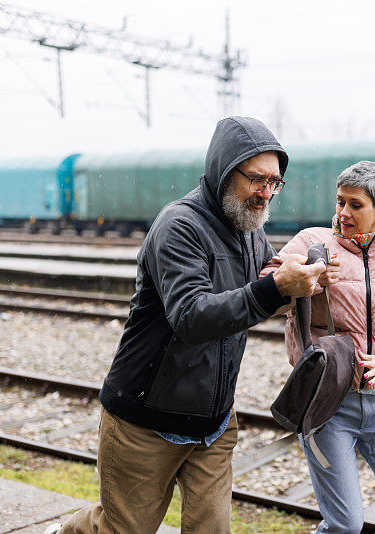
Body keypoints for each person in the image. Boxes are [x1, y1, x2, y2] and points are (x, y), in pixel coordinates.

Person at [51, 117, 327, 534]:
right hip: (146, 419)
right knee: (123, 528)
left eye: (275, 182)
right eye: (256, 179)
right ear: (223, 170)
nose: (266, 193)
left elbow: (253, 298)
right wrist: (274, 288)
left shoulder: (250, 231)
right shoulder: (179, 226)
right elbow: (191, 316)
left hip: (213, 423)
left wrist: (298, 280)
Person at [260, 161, 375, 533]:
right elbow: (266, 295)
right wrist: (306, 281)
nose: (343, 213)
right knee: (344, 525)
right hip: (327, 405)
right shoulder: (310, 244)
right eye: (340, 201)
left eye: (355, 205)